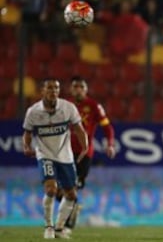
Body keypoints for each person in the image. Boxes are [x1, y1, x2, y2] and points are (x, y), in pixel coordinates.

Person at [22, 78, 88, 239]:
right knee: (51, 189)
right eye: (50, 88)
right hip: (45, 154)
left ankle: (59, 228)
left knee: (71, 195)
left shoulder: (68, 108)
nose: (54, 91)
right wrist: (26, 146)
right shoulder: (33, 112)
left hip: (65, 155)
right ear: (42, 91)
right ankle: (49, 227)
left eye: (56, 88)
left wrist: (85, 147)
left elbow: (79, 129)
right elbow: (27, 133)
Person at [58, 76, 116, 234]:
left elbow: (107, 127)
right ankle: (72, 209)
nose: (78, 89)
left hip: (84, 154)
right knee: (57, 190)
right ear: (71, 89)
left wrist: (110, 144)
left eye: (81, 87)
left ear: (86, 89)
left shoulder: (94, 106)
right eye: (75, 86)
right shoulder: (65, 106)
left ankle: (66, 226)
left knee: (72, 187)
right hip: (65, 153)